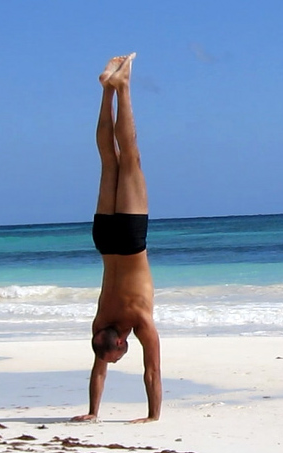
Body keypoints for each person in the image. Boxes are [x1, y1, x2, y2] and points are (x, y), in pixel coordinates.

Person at [71, 53, 162, 424]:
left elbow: (152, 371)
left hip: (127, 239)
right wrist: (92, 412)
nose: (114, 360)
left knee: (130, 159)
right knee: (109, 160)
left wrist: (153, 417)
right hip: (104, 241)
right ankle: (106, 91)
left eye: (117, 354)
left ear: (121, 342)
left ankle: (122, 88)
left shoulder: (137, 319)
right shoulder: (99, 325)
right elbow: (98, 368)